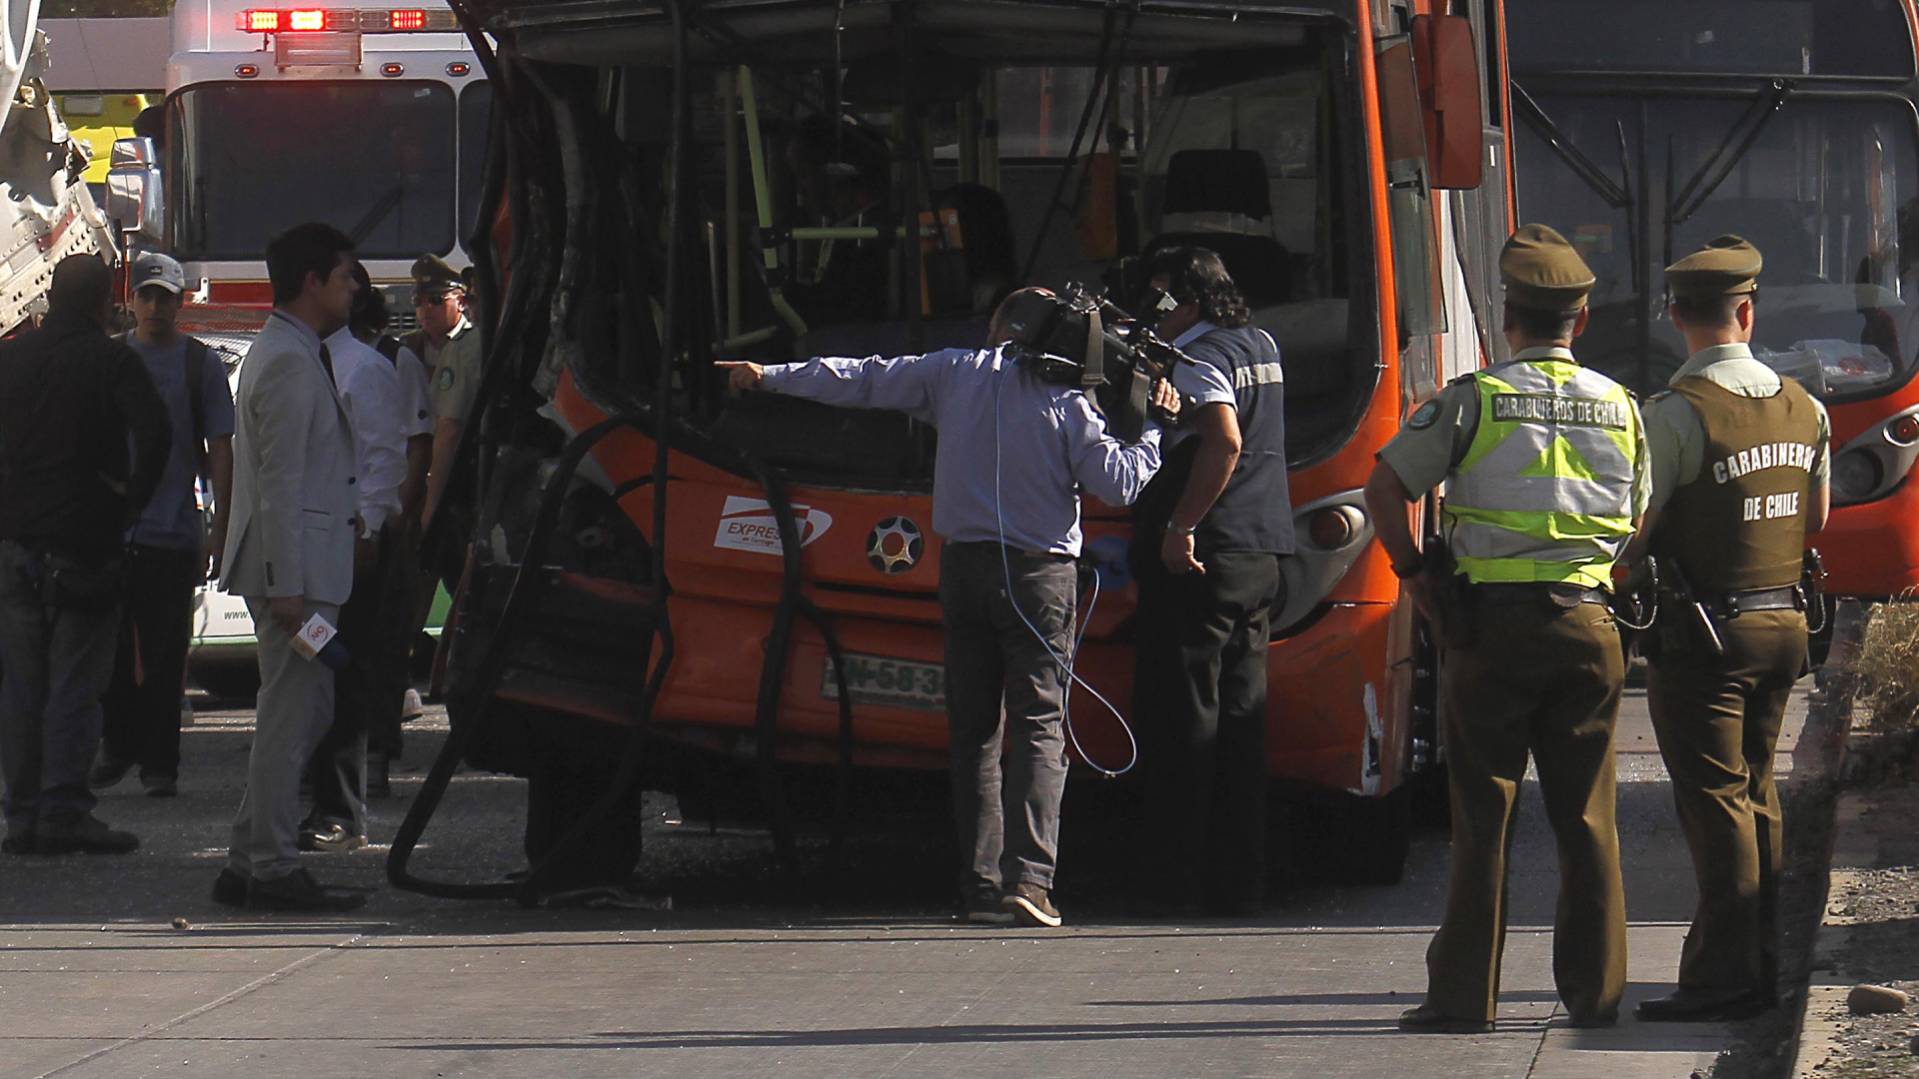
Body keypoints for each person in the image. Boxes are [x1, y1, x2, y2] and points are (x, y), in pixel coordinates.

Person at [717, 288, 1173, 928]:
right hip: (1040, 576)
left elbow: (862, 379)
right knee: (1040, 725)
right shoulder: (1070, 403)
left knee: (975, 732)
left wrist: (768, 376)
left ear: (998, 326)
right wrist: (1152, 426)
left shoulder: (952, 373)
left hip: (963, 570)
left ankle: (980, 888)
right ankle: (1032, 883)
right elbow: (1119, 483)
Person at [1363, 224, 1645, 1032]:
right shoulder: (1621, 406)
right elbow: (1636, 513)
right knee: (1588, 814)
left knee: (1481, 813)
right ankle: (1595, 995)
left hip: (1486, 630)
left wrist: (1416, 577)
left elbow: (1384, 489)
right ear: (1580, 319)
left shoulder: (1471, 400)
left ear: (1505, 312)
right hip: (1588, 623)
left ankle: (1463, 999)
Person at [1630, 236, 1830, 1023]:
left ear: (1675, 316)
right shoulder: (1803, 404)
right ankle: (1767, 962)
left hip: (1703, 636)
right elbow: (1814, 520)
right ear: (1747, 312)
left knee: (1714, 800)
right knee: (1755, 791)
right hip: (1783, 620)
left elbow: (1633, 529)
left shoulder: (1673, 415)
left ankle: (1721, 979)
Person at [1129, 246, 1294, 915]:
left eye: (1161, 300)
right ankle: (1239, 881)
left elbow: (1223, 441)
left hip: (1207, 555)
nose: (1152, 313)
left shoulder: (1198, 359)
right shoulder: (1260, 342)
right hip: (1261, 551)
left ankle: (1176, 881)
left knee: (1184, 723)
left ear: (1191, 303)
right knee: (1241, 723)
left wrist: (1179, 524)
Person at [211, 222, 365, 912]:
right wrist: (287, 587)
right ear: (312, 282)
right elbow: (278, 482)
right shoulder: (287, 361)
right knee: (291, 715)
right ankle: (269, 865)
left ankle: (250, 858)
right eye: (345, 276)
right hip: (294, 578)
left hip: (298, 572)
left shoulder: (290, 353)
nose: (355, 287)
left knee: (300, 710)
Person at [0, 254, 170, 855]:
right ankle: (63, 809)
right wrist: (130, 500)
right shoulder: (110, 360)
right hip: (85, 545)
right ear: (104, 302)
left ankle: (19, 815)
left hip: (16, 541)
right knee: (74, 682)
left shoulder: (11, 358)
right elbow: (156, 430)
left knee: (20, 686)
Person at [92, 252, 235, 799]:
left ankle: (160, 764)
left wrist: (219, 528)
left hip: (173, 531)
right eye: (146, 295)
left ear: (180, 303)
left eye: (165, 297)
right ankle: (118, 746)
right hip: (110, 531)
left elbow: (219, 449)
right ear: (131, 301)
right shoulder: (109, 361)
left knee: (165, 652)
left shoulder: (200, 365)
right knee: (106, 651)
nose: (155, 306)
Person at [298, 262, 410, 852]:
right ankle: (307, 792)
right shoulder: (287, 359)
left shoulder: (363, 368)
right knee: (305, 665)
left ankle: (340, 809)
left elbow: (383, 459)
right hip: (302, 548)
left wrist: (366, 533)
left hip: (350, 546)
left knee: (343, 671)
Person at [413, 254, 482, 531]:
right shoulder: (408, 347)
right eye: (419, 301)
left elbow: (449, 429)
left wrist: (432, 505)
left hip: (458, 477)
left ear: (461, 302)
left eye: (436, 300)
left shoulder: (465, 347)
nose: (425, 309)